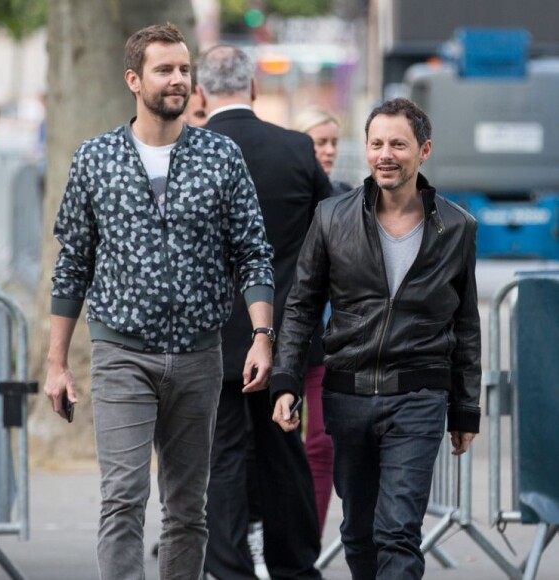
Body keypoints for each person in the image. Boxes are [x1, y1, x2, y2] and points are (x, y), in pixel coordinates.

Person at [43, 23, 275, 580]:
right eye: (164, 70)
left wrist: (263, 335)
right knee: (123, 496)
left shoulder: (221, 157)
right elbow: (73, 261)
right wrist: (56, 363)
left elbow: (253, 251)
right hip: (122, 354)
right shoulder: (95, 159)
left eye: (184, 70)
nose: (178, 80)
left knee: (187, 509)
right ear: (133, 79)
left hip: (199, 356)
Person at [271, 97, 481, 580]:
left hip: (418, 395)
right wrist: (286, 381)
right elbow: (301, 306)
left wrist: (465, 407)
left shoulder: (456, 227)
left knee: (398, 531)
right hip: (348, 392)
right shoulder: (330, 217)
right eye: (376, 143)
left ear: (423, 150)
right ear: (365, 149)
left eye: (399, 145)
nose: (386, 154)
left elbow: (466, 324)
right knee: (359, 534)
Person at [195, 45, 331, 580]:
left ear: (202, 94)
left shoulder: (191, 152)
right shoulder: (296, 149)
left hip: (211, 337)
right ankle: (294, 567)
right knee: (283, 451)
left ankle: (229, 570)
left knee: (223, 457)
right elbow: (330, 229)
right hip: (283, 336)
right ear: (252, 87)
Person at [292, 105, 353, 538]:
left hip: (336, 341)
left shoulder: (347, 196)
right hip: (293, 335)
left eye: (333, 141)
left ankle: (308, 539)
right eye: (319, 142)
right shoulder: (288, 199)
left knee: (322, 442)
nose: (328, 150)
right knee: (279, 441)